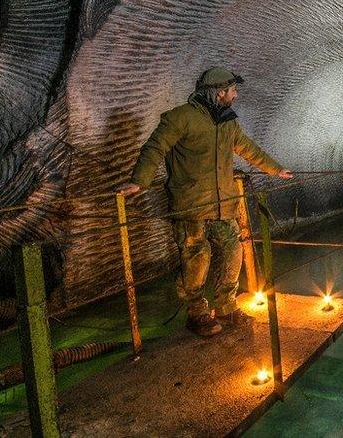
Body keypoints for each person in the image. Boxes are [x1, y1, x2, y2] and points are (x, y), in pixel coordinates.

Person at [116, 67, 293, 337]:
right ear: (219, 92)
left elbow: (248, 149)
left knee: (233, 251)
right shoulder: (181, 118)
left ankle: (226, 306)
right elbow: (155, 147)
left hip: (224, 204)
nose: (235, 94)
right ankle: (197, 312)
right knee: (197, 258)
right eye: (232, 90)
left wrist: (275, 169)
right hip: (192, 206)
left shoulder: (227, 123)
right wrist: (140, 180)